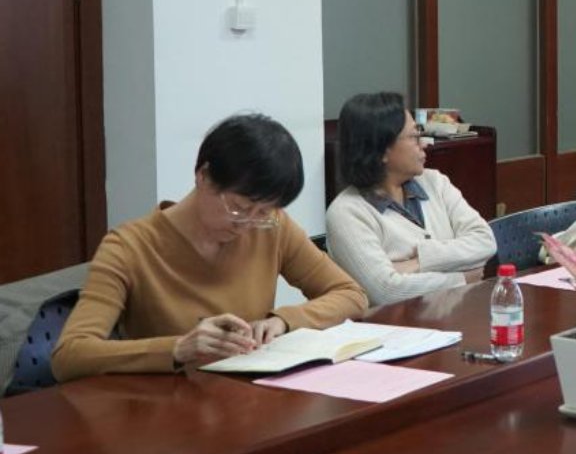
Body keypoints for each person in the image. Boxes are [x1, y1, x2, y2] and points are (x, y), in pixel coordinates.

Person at [52, 114, 367, 381]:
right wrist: (178, 348)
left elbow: (350, 295)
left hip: (252, 398)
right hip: (167, 409)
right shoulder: (129, 247)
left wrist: (284, 321)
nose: (247, 224)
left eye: (263, 212)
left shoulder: (272, 228)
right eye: (239, 207)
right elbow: (69, 354)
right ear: (203, 176)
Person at [325, 91, 494, 305]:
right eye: (414, 136)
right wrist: (462, 278)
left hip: (456, 316)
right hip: (392, 325)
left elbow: (485, 241)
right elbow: (387, 292)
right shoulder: (347, 213)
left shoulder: (435, 182)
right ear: (381, 151)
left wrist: (419, 261)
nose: (425, 143)